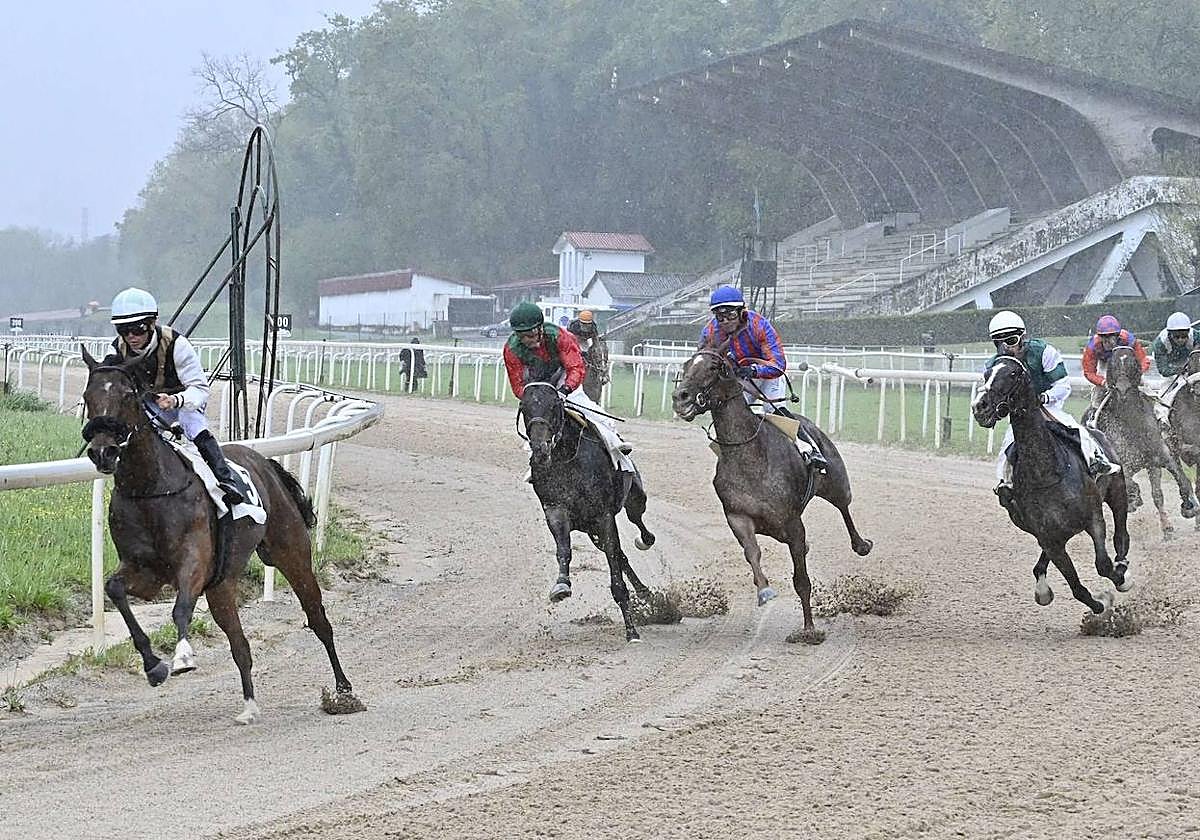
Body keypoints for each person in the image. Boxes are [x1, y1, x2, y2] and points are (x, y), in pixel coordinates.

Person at [108, 287, 248, 504]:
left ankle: (226, 480)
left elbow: (200, 388)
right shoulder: (117, 349)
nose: (131, 337)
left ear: (152, 323)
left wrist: (175, 400)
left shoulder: (177, 345)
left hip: (185, 402)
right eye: (123, 330)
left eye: (138, 328)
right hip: (148, 404)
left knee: (194, 425)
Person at [987, 310, 1118, 497]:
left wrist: (1044, 398)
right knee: (1007, 445)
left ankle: (1097, 461)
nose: (1005, 348)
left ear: (1023, 336)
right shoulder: (995, 365)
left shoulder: (1044, 352)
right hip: (1021, 414)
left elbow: (1063, 385)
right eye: (999, 343)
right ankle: (1005, 483)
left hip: (1049, 406)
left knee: (1077, 430)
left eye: (1010, 341)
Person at [698, 285, 827, 472]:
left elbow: (777, 364)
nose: (725, 321)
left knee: (772, 409)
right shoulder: (710, 332)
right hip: (740, 377)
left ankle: (809, 449)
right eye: (720, 316)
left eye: (730, 315)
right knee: (731, 413)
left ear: (741, 312)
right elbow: (703, 360)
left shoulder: (759, 325)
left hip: (767, 373)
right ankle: (727, 456)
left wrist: (754, 370)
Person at [503, 302, 633, 477]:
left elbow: (576, 367)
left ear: (540, 328)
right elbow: (517, 384)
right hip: (537, 384)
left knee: (591, 410)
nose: (528, 340)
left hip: (563, 376)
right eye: (522, 336)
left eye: (531, 334)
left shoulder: (558, 336)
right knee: (536, 422)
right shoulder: (511, 349)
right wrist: (535, 398)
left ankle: (615, 444)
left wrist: (565, 390)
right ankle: (535, 464)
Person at [1081, 314, 1148, 414]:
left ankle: (1158, 414)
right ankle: (1093, 416)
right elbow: (1088, 372)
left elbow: (1143, 360)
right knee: (1098, 394)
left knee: (1144, 386)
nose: (1107, 340)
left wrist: (1137, 373)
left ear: (1117, 335)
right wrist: (1102, 382)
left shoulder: (1129, 340)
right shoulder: (1093, 346)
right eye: (1103, 336)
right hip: (1105, 364)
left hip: (1125, 363)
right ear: (1099, 336)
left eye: (1111, 336)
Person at [1151, 311, 1200, 421]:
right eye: (1176, 337)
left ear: (1189, 332)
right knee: (1163, 396)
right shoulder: (1161, 343)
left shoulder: (1196, 336)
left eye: (1184, 336)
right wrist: (1178, 370)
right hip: (1170, 366)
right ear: (1170, 334)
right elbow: (1163, 370)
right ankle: (1163, 421)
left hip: (1188, 361)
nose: (1180, 340)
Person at [567, 310, 609, 403]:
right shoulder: (574, 326)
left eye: (588, 324)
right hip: (573, 340)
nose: (586, 327)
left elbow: (596, 341)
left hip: (585, 340)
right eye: (584, 324)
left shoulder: (593, 327)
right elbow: (570, 340)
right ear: (580, 322)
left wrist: (597, 351)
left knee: (593, 352)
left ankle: (602, 375)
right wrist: (579, 352)